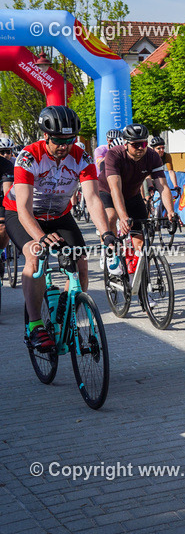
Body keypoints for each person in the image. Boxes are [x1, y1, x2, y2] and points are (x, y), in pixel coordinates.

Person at [5, 107, 117, 351]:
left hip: (59, 215)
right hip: (23, 214)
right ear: (46, 136)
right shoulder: (28, 156)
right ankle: (35, 326)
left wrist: (106, 233)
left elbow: (92, 198)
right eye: (58, 140)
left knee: (81, 266)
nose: (64, 146)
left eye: (69, 140)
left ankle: (65, 315)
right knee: (35, 255)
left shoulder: (82, 157)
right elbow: (23, 208)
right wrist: (41, 238)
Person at [97, 123, 176, 264]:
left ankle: (139, 271)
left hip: (132, 195)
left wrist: (170, 211)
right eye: (135, 145)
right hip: (108, 192)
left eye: (143, 144)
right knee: (111, 217)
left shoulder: (152, 156)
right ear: (126, 144)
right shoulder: (114, 155)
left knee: (140, 243)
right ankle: (111, 252)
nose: (140, 148)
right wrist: (123, 217)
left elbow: (163, 187)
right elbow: (115, 189)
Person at [0, 138, 16, 250]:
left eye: (8, 152)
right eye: (2, 152)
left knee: (3, 227)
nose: (5, 155)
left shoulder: (8, 164)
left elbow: (7, 191)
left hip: (3, 197)